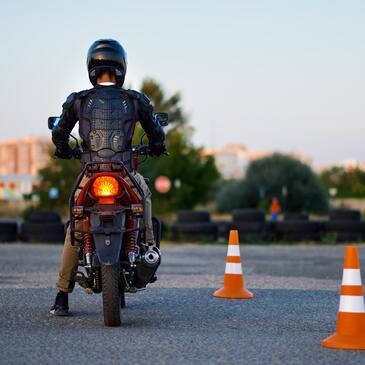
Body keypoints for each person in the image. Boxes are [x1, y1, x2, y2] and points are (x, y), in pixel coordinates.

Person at [49, 39, 166, 316]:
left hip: (90, 174)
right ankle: (147, 248)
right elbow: (156, 133)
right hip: (124, 173)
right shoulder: (135, 100)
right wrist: (157, 147)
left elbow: (59, 134)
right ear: (121, 67)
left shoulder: (78, 100)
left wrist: (64, 151)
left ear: (91, 66)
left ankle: (62, 295)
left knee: (76, 225)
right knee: (143, 199)